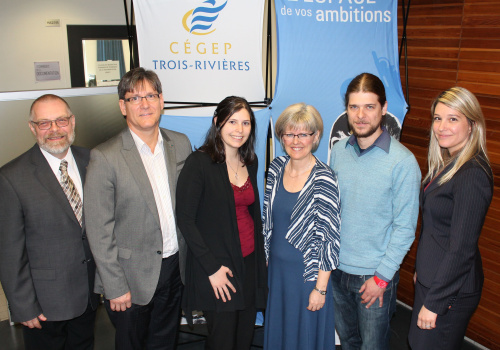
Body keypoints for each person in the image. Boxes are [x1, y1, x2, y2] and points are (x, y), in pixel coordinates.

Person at [84, 68, 192, 350]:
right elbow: (98, 230)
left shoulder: (180, 144)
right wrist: (114, 285)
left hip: (173, 268)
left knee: (164, 343)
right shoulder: (105, 157)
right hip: (129, 278)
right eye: (135, 98)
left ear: (162, 101)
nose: (145, 104)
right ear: (123, 106)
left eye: (151, 96)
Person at [329, 72, 421, 350]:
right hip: (336, 272)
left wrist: (381, 279)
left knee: (372, 347)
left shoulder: (403, 163)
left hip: (374, 277)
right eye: (354, 107)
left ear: (383, 109)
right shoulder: (339, 151)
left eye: (369, 107)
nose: (360, 115)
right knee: (348, 343)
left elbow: (405, 229)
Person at [0, 94, 99, 350]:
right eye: (44, 123)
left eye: (61, 120)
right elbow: (10, 252)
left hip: (88, 294)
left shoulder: (93, 160)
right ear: (32, 128)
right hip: (44, 307)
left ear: (72, 122)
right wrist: (23, 307)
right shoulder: (11, 177)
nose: (54, 130)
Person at [176, 96, 267, 350]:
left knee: (244, 338)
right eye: (232, 121)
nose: (239, 130)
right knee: (222, 341)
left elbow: (250, 213)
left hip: (249, 264)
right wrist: (212, 269)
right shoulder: (199, 163)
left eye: (246, 123)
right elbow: (185, 219)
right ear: (217, 122)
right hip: (219, 270)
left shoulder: (250, 161)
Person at [408, 87, 493, 349]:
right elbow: (437, 228)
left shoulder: (472, 174)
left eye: (453, 119)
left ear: (472, 125)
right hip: (434, 280)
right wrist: (422, 269)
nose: (442, 127)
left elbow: (461, 249)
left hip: (450, 292)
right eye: (437, 118)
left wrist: (434, 303)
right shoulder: (448, 163)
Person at [262, 103, 341, 350]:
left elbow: (330, 238)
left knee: (305, 339)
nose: (296, 140)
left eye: (303, 134)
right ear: (281, 136)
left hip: (307, 277)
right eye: (289, 133)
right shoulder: (275, 168)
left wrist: (321, 288)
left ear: (315, 137)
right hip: (277, 274)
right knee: (280, 336)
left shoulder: (324, 178)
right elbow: (268, 222)